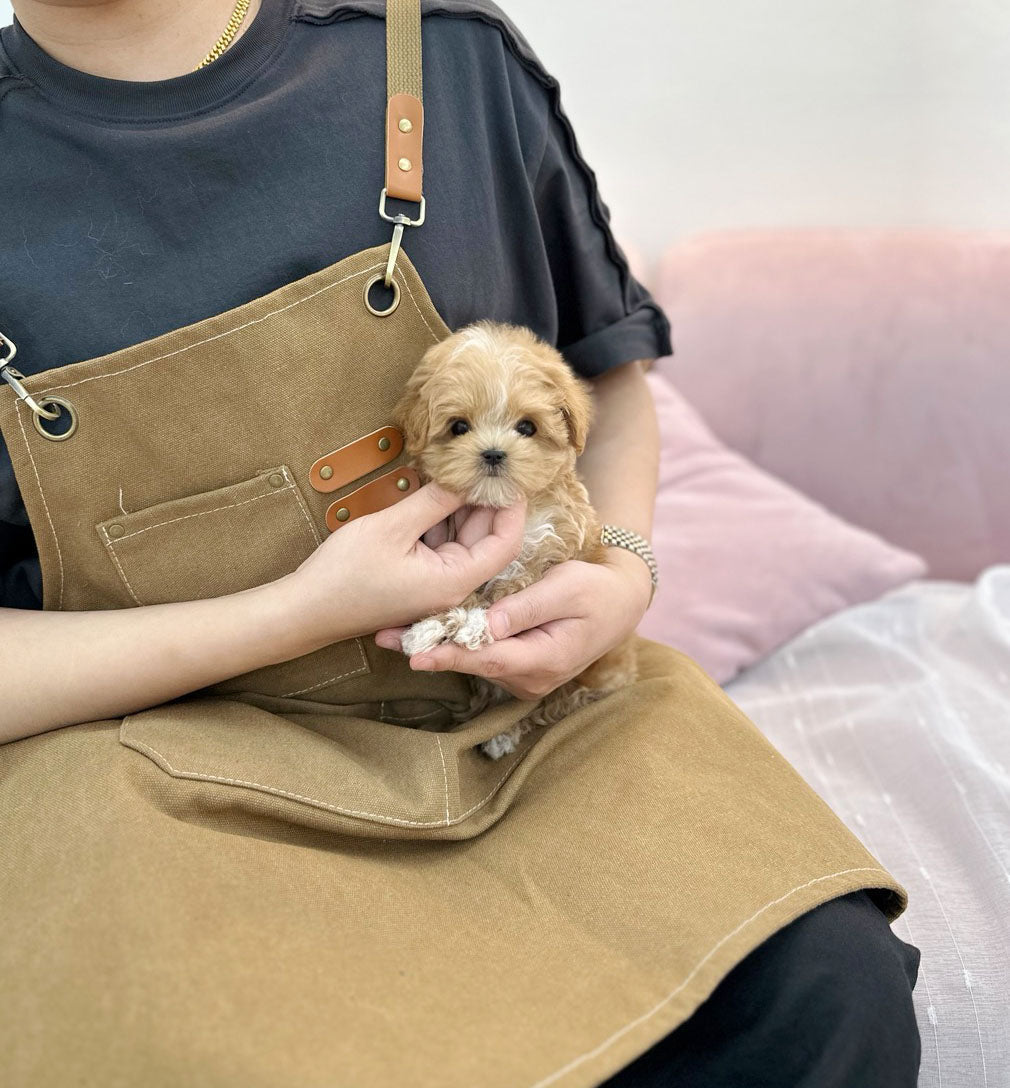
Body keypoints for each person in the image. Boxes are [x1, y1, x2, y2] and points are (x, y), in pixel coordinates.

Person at [0, 2, 921, 1086]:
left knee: (816, 985)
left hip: (523, 728)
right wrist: (296, 612)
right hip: (145, 780)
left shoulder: (444, 55)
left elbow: (605, 378)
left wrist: (621, 568)